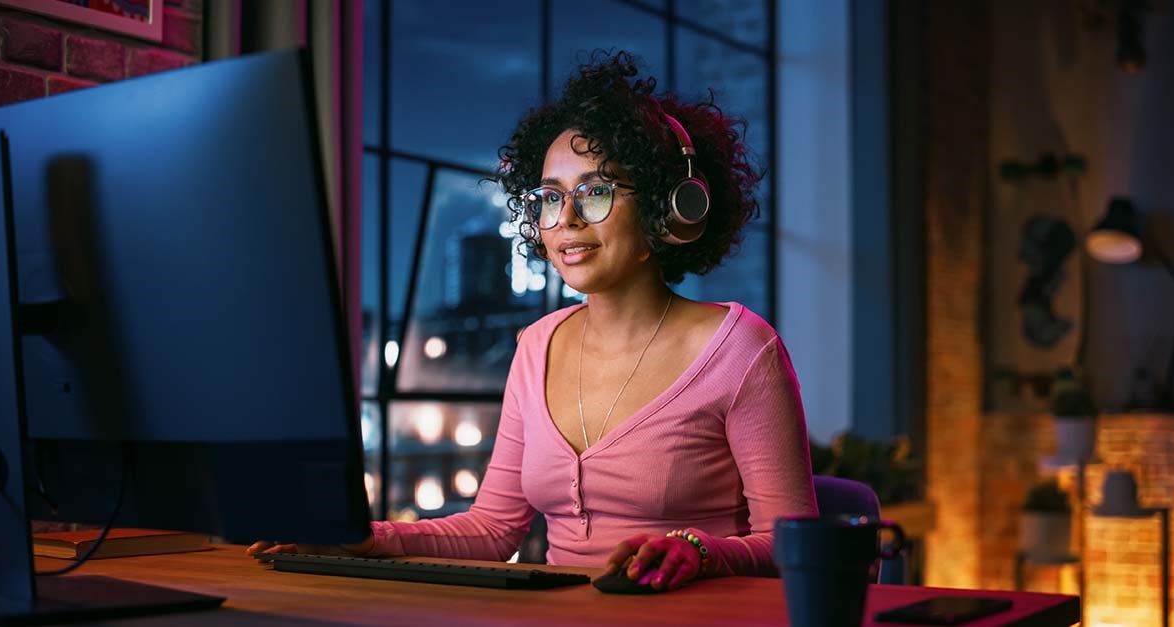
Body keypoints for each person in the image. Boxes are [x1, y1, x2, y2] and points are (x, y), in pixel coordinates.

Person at [248, 51, 817, 592]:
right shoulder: (536, 344)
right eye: (549, 197)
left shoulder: (741, 349)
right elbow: (494, 530)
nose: (564, 219)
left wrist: (700, 550)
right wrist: (364, 540)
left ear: (666, 208)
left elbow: (794, 545)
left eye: (595, 192)